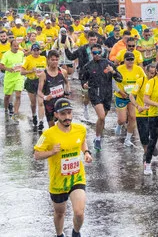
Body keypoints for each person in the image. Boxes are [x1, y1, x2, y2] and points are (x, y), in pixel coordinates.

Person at [34, 98, 92, 237]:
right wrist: (51, 152)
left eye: (69, 113)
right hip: (58, 182)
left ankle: (76, 232)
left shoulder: (80, 129)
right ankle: (59, 234)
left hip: (77, 177)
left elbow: (82, 142)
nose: (67, 117)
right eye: (63, 114)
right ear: (56, 115)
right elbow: (36, 155)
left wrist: (86, 152)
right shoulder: (48, 134)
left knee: (79, 212)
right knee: (60, 213)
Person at [81, 44, 122, 150]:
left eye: (99, 52)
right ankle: (98, 138)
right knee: (102, 116)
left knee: (102, 119)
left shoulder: (108, 63)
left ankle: (98, 136)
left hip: (107, 94)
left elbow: (120, 78)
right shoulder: (88, 66)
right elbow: (83, 79)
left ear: (102, 52)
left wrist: (112, 71)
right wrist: (84, 85)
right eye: (94, 53)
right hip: (94, 93)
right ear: (91, 53)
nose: (97, 55)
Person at [114, 52, 146, 146]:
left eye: (132, 59)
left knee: (133, 117)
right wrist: (120, 92)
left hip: (133, 97)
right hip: (121, 96)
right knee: (122, 119)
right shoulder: (119, 69)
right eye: (128, 59)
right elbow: (113, 82)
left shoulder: (138, 69)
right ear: (124, 60)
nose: (130, 61)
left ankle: (127, 139)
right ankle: (119, 125)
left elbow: (144, 80)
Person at [65, 31, 98, 119]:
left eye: (95, 39)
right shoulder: (82, 49)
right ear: (88, 39)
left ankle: (98, 110)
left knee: (97, 94)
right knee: (87, 95)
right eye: (91, 40)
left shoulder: (100, 50)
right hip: (85, 75)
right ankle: (86, 107)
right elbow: (71, 57)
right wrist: (66, 48)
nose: (93, 42)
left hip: (97, 75)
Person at [129, 63, 157, 161]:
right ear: (146, 71)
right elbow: (131, 95)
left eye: (154, 73)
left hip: (154, 113)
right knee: (143, 134)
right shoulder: (140, 81)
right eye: (150, 73)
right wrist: (137, 106)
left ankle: (152, 145)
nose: (152, 75)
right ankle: (146, 152)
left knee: (153, 133)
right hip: (141, 113)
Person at [38, 50, 70, 129]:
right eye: (52, 60)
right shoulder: (43, 74)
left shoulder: (63, 72)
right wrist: (45, 97)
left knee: (63, 123)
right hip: (49, 104)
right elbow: (39, 91)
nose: (55, 62)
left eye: (56, 60)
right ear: (48, 60)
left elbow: (67, 83)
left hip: (60, 102)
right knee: (51, 126)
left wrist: (67, 92)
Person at [21, 43, 47, 127]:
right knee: (33, 103)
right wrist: (31, 71)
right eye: (34, 50)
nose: (36, 52)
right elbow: (22, 72)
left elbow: (47, 69)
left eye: (37, 50)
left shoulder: (43, 58)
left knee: (41, 102)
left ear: (39, 51)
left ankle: (41, 121)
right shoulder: (28, 59)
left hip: (41, 82)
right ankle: (34, 115)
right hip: (31, 82)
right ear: (31, 51)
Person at [0, 39, 24, 123]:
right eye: (15, 46)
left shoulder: (21, 53)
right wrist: (8, 69)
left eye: (17, 46)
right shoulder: (6, 54)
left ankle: (15, 113)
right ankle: (6, 109)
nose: (16, 47)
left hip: (18, 77)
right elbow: (1, 65)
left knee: (18, 95)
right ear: (11, 46)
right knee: (7, 96)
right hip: (9, 78)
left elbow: (23, 63)